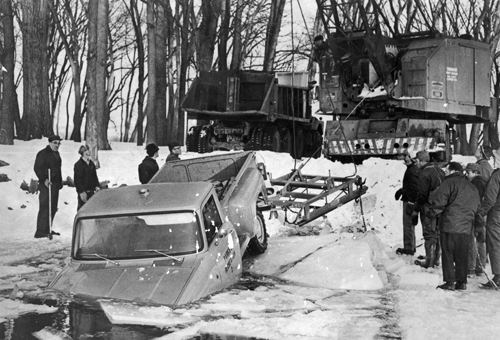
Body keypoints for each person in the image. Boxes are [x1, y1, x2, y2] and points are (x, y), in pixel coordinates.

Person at [428, 162, 481, 291]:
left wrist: (431, 213)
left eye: (447, 170)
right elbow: (477, 208)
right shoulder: (471, 186)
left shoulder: (448, 183)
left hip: (449, 225)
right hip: (466, 227)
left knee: (448, 254)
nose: (445, 172)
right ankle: (462, 282)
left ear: (452, 171)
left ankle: (450, 281)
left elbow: (440, 202)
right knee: (462, 255)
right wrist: (478, 225)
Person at [412, 150, 445, 268]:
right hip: (440, 207)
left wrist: (416, 210)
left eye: (416, 161)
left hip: (428, 207)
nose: (415, 163)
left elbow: (422, 194)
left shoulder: (424, 173)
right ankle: (436, 259)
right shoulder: (440, 171)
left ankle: (429, 261)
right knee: (437, 233)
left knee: (429, 234)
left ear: (422, 161)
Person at [34, 135, 63, 238]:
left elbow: (58, 169)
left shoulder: (57, 154)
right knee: (45, 206)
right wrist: (44, 179)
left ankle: (48, 229)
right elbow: (37, 168)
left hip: (54, 184)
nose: (57, 145)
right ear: (50, 142)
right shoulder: (43, 154)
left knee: (53, 207)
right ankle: (40, 231)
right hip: (46, 184)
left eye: (58, 143)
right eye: (55, 143)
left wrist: (59, 182)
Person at [479, 149, 500, 288]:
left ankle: (498, 276)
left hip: (497, 213)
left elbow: (490, 199)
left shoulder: (497, 175)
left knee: (495, 243)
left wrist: (481, 213)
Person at [464, 163, 488, 277]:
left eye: (468, 173)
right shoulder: (484, 181)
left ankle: (471, 268)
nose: (466, 175)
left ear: (475, 172)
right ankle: (480, 267)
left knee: (472, 240)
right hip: (482, 214)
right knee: (481, 241)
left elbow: (474, 200)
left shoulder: (476, 183)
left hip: (476, 214)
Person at [394, 152, 420, 255]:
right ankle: (410, 247)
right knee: (409, 224)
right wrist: (402, 190)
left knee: (408, 224)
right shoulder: (411, 169)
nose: (405, 160)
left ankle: (409, 248)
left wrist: (410, 201)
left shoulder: (412, 170)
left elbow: (414, 188)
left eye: (406, 158)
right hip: (410, 198)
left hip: (410, 200)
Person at [74, 145, 101, 210]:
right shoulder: (78, 165)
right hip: (83, 192)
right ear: (83, 153)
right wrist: (81, 192)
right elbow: (77, 180)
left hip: (91, 192)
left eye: (88, 150)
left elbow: (95, 176)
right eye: (86, 150)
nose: (88, 152)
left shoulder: (91, 163)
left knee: (92, 210)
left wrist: (97, 185)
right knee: (82, 210)